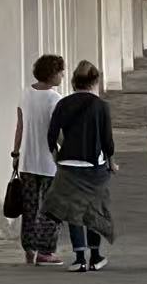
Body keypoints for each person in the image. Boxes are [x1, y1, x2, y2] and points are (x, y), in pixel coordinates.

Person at [45, 62, 116, 270]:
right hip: (94, 164)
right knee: (93, 210)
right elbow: (107, 140)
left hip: (68, 163)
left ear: (73, 81)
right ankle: (95, 256)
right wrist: (111, 161)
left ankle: (79, 259)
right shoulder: (101, 106)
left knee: (73, 211)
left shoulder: (63, 104)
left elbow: (51, 135)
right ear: (95, 81)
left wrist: (57, 156)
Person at [12, 53, 66, 265]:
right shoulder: (55, 99)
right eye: (60, 72)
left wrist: (15, 152)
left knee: (30, 209)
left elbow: (20, 127)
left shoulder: (25, 94)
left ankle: (29, 249)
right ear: (52, 74)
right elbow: (57, 132)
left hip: (27, 161)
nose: (62, 75)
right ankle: (45, 252)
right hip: (49, 162)